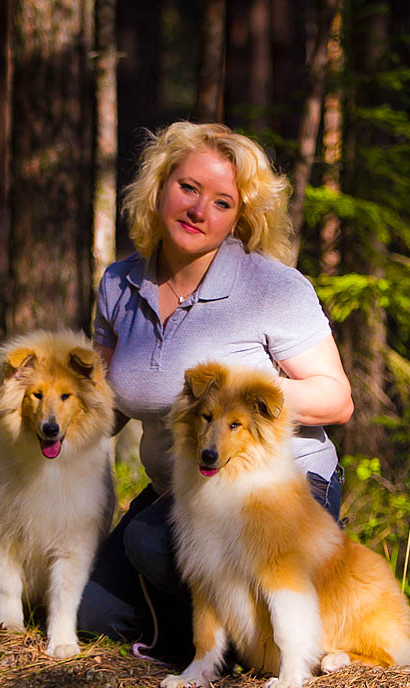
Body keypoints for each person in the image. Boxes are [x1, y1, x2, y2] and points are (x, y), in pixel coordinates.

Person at [79, 121, 354, 654]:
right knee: (95, 612)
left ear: (238, 219)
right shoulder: (119, 283)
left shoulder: (272, 286)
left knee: (152, 543)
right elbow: (104, 405)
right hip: (182, 486)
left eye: (222, 202)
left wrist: (234, 394)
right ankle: (200, 637)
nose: (199, 210)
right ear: (159, 186)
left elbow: (336, 399)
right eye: (188, 188)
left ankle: (248, 648)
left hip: (280, 486)